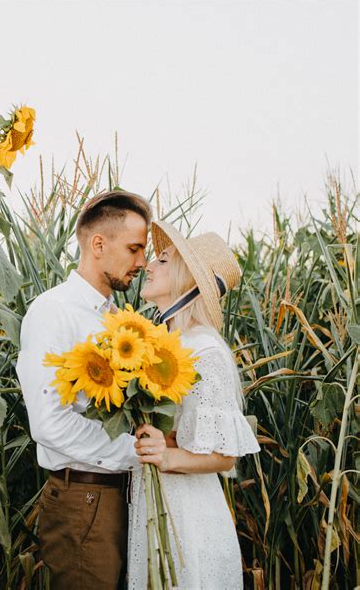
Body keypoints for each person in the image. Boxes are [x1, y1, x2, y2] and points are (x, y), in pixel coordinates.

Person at [16, 190, 151, 589]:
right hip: (84, 500)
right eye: (133, 248)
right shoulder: (53, 312)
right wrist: (139, 454)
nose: (141, 262)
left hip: (119, 495)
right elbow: (49, 424)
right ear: (97, 244)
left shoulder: (116, 318)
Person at [127, 221, 261, 589]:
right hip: (154, 507)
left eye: (164, 260)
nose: (148, 266)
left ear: (189, 280)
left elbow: (225, 456)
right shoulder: (160, 344)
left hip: (187, 515)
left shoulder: (204, 350)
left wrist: (166, 456)